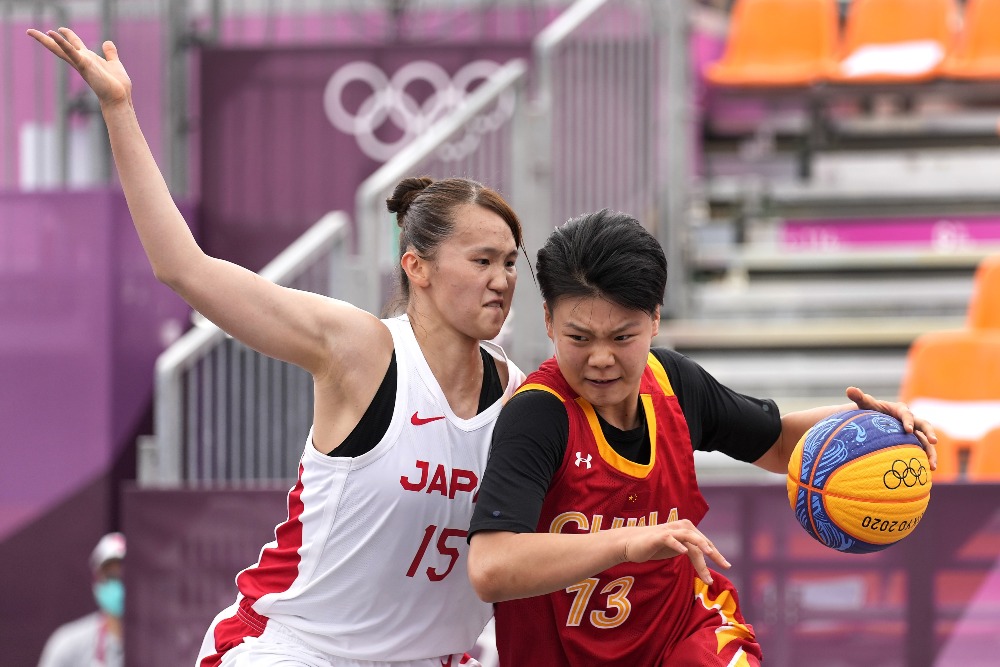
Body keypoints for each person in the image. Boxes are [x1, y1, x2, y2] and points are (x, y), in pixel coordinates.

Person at [28, 27, 526, 667]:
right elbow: (185, 268)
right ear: (418, 268)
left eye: (511, 262)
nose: (502, 279)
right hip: (296, 652)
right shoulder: (362, 348)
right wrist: (120, 110)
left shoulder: (516, 392)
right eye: (482, 259)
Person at [466, 209, 938, 666]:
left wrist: (868, 427)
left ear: (654, 319)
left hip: (685, 637)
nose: (602, 358)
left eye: (623, 337)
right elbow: (490, 567)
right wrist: (627, 543)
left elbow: (775, 443)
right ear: (548, 322)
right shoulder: (539, 415)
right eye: (580, 338)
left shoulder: (672, 382)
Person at [38, 532, 126, 667]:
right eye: (111, 576)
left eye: (125, 576)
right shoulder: (68, 645)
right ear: (97, 579)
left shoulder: (165, 646)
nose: (119, 584)